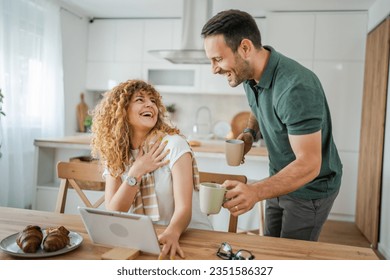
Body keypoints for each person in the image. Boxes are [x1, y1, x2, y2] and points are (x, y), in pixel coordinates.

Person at [201, 10, 343, 241]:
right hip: (277, 180)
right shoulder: (248, 76)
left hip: (309, 189)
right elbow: (258, 109)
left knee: (289, 258)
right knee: (270, 247)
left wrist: (255, 191)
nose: (214, 69)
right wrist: (249, 134)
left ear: (245, 48)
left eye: (217, 59)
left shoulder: (295, 87)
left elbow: (309, 164)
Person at [90, 79, 212, 259]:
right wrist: (136, 171)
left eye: (153, 101)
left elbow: (184, 209)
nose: (150, 104)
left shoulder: (174, 145)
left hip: (188, 236)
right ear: (122, 110)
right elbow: (114, 211)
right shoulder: (115, 153)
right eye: (140, 100)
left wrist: (172, 232)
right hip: (146, 238)